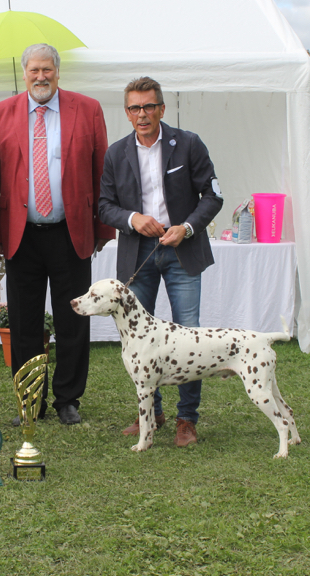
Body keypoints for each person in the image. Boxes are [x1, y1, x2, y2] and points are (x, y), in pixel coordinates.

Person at [0, 43, 114, 425]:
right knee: (23, 322)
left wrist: (103, 226)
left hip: (71, 233)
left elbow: (102, 170)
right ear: (24, 73)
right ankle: (30, 397)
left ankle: (68, 398)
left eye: (47, 70)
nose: (41, 77)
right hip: (20, 236)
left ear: (58, 71)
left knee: (74, 319)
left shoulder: (87, 109)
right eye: (34, 70)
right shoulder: (1, 113)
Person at [98, 77, 223, 447]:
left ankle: (187, 419)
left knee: (191, 334)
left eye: (149, 106)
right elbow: (104, 205)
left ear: (162, 109)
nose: (142, 114)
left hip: (182, 249)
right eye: (135, 108)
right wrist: (133, 219)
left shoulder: (188, 143)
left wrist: (187, 227)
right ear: (127, 112)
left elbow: (212, 195)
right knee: (138, 340)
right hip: (138, 254)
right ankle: (150, 413)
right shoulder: (115, 153)